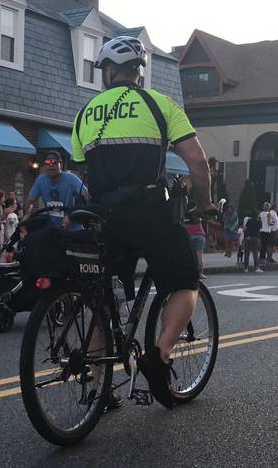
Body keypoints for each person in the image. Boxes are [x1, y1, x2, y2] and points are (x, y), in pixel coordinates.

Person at [71, 35, 214, 409]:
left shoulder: (86, 112)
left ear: (110, 71)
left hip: (103, 217)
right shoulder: (159, 104)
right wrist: (205, 203)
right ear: (138, 71)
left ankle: (97, 388)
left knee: (100, 300)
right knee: (185, 280)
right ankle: (160, 354)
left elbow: (85, 171)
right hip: (149, 212)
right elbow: (197, 162)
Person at [25, 152, 88, 228]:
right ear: (44, 166)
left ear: (60, 165)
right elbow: (30, 201)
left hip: (73, 229)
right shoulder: (40, 180)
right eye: (47, 162)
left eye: (54, 162)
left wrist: (73, 215)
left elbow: (87, 197)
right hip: (53, 229)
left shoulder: (71, 178)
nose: (51, 165)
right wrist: (27, 215)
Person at [185, 214, 206, 279]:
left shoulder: (186, 216)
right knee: (199, 255)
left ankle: (189, 272)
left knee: (189, 255)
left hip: (190, 236)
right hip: (200, 236)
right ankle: (200, 273)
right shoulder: (198, 215)